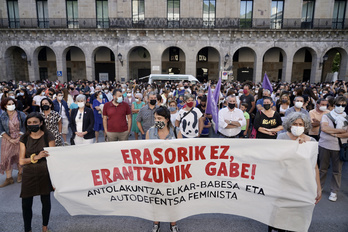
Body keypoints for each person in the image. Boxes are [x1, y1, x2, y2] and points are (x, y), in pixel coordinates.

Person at [272, 112, 321, 232]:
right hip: (283, 181)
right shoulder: (282, 137)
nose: (298, 126)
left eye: (301, 124)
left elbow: (314, 166)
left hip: (301, 183)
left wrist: (318, 187)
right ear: (289, 124)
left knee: (297, 211)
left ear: (305, 126)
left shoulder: (312, 142)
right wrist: (295, 147)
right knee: (280, 210)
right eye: (295, 124)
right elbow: (277, 159)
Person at [146, 106, 181, 232]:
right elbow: (146, 153)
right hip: (155, 172)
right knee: (156, 198)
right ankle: (156, 223)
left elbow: (181, 154)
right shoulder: (150, 132)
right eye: (155, 118)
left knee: (172, 198)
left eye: (159, 118)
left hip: (172, 172)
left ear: (166, 119)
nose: (157, 121)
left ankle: (173, 224)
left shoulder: (176, 132)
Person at [19, 112, 55, 232]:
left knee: (46, 201)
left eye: (35, 122)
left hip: (45, 172)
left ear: (41, 123)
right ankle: (27, 229)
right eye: (29, 123)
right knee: (26, 204)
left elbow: (54, 159)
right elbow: (21, 161)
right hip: (29, 174)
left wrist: (55, 180)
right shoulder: (24, 138)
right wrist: (36, 157)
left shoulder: (48, 136)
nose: (32, 125)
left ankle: (45, 227)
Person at [318, 96, 348, 202]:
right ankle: (319, 188)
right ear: (334, 105)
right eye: (339, 105)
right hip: (324, 145)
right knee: (322, 169)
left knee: (337, 171)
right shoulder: (327, 116)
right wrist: (340, 132)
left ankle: (334, 191)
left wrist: (333, 133)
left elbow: (347, 134)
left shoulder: (347, 118)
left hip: (339, 147)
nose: (341, 107)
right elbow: (324, 128)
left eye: (343, 105)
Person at [0, 98, 26, 187]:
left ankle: (20, 174)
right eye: (9, 104)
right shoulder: (2, 116)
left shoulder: (21, 114)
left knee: (20, 156)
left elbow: (25, 126)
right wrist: (10, 139)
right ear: (4, 106)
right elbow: (1, 129)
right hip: (7, 140)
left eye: (12, 103)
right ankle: (9, 178)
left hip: (20, 138)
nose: (11, 105)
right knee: (6, 158)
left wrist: (19, 137)